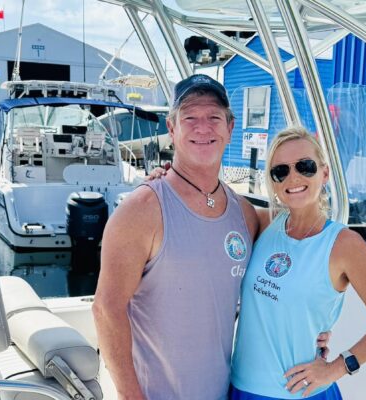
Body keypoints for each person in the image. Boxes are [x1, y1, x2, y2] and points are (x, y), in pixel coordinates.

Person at [93, 74, 261, 399]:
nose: (203, 128)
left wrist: (316, 332)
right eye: (190, 118)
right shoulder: (141, 209)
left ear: (230, 127)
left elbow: (293, 251)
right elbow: (106, 309)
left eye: (213, 117)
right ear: (172, 128)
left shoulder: (246, 215)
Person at [229, 127, 366, 399]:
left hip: (301, 393)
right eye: (281, 171)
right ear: (273, 182)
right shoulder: (265, 224)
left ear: (324, 173)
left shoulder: (344, 244)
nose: (293, 177)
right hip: (241, 387)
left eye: (305, 166)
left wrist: (336, 368)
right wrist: (163, 179)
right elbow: (209, 199)